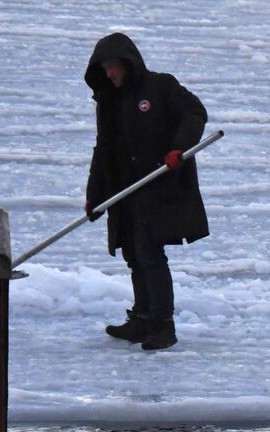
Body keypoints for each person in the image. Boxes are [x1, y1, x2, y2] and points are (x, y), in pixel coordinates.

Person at [84, 32, 209, 351]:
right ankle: (142, 318)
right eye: (104, 68)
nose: (109, 73)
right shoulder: (108, 101)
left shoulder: (160, 87)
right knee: (132, 253)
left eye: (113, 66)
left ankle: (163, 324)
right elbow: (103, 150)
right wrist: (94, 194)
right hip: (123, 187)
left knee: (149, 252)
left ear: (128, 62)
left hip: (156, 184)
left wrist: (179, 146)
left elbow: (195, 112)